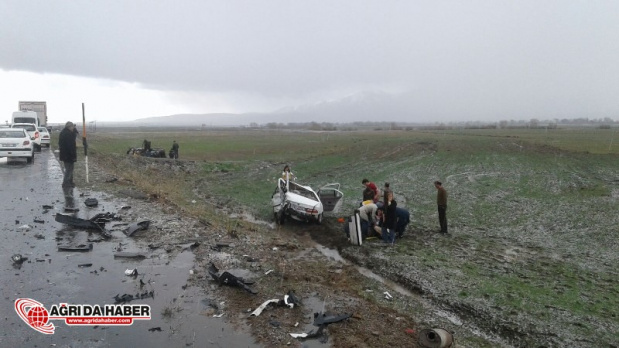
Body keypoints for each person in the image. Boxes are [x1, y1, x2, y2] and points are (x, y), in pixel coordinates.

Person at [59, 121, 77, 188]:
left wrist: (74, 131)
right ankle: (66, 183)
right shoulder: (67, 134)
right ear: (69, 127)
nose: (73, 128)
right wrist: (73, 155)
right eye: (72, 127)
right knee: (69, 169)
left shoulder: (64, 133)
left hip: (65, 155)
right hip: (68, 155)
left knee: (70, 169)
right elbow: (70, 146)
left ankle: (70, 182)